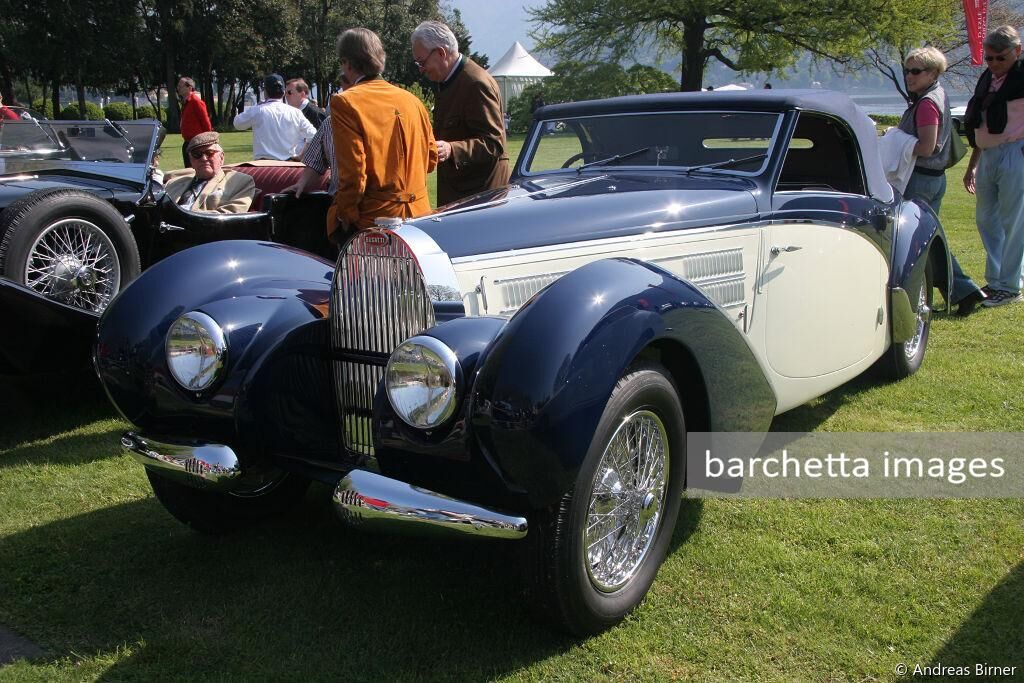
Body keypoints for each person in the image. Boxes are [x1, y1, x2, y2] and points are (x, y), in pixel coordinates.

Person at [898, 46, 987, 315]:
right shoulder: (936, 95)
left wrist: (894, 143)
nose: (909, 76)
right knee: (927, 240)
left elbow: (927, 146)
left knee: (921, 242)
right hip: (933, 179)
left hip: (922, 180)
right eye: (907, 70)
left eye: (916, 71)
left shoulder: (927, 103)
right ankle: (965, 291)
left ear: (933, 72)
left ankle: (964, 290)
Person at [329, 27, 437, 239]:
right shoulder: (412, 101)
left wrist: (345, 214)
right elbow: (431, 159)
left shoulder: (346, 102)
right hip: (420, 217)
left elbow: (354, 173)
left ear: (347, 63)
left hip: (375, 222)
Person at [411, 20, 509, 205]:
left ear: (441, 53)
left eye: (422, 62)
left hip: (480, 198)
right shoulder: (447, 81)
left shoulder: (475, 83)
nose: (421, 70)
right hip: (462, 193)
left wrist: (451, 149)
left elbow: (494, 143)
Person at [963, 25, 1024, 308]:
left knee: (1014, 221)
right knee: (987, 219)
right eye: (989, 58)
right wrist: (972, 165)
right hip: (988, 154)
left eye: (1001, 57)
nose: (995, 63)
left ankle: (1009, 285)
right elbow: (980, 124)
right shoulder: (987, 79)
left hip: (1015, 152)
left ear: (1017, 51)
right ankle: (997, 279)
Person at [162, 131, 256, 213]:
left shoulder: (239, 182)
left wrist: (185, 216)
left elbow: (230, 214)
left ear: (221, 157)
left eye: (209, 153)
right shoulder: (173, 183)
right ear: (191, 161)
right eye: (197, 154)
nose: (204, 158)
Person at [233, 73, 317, 161]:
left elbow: (237, 124)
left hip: (263, 166)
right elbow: (313, 135)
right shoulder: (296, 113)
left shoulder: (257, 110)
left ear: (265, 92)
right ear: (284, 92)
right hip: (288, 165)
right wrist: (301, 156)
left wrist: (255, 107)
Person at [176, 77, 213, 166]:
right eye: (178, 86)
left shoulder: (196, 102)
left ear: (189, 88)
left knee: (195, 170)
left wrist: (208, 141)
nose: (178, 88)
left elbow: (205, 122)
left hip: (197, 144)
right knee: (188, 170)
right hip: (188, 142)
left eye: (181, 86)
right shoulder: (185, 103)